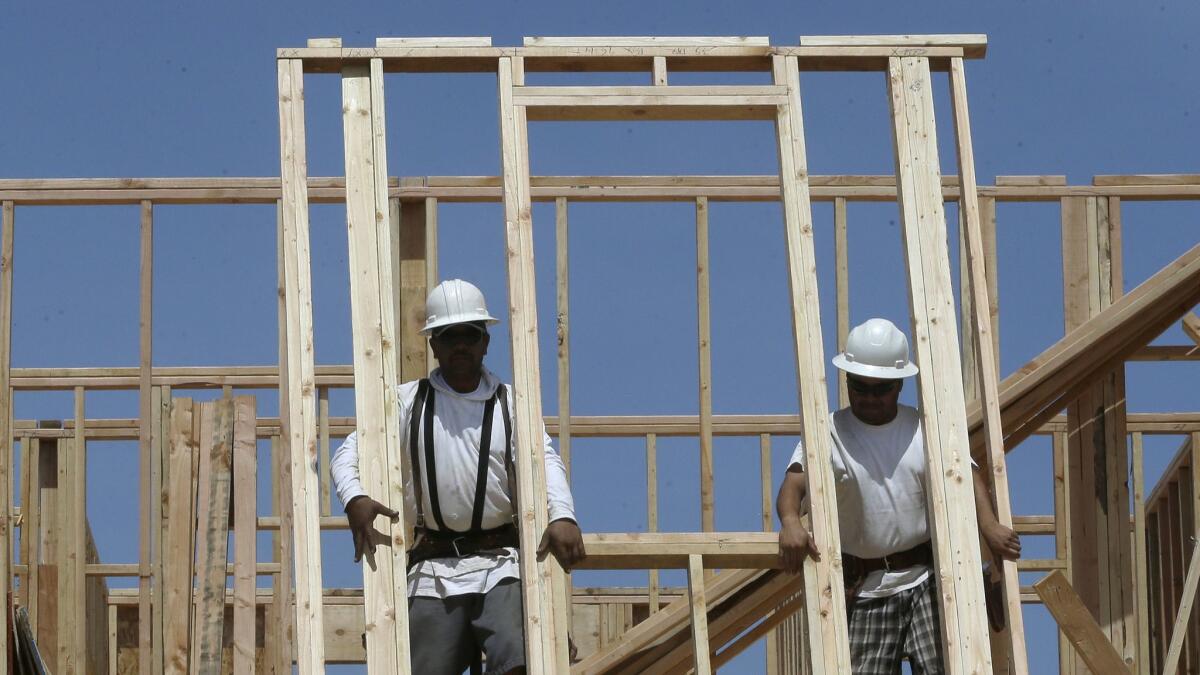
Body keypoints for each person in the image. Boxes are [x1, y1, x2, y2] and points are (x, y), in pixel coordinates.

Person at [331, 278, 586, 675]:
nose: (461, 346)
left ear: (485, 341)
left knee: (521, 660)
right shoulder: (407, 403)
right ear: (434, 345)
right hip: (435, 568)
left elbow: (544, 460)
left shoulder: (511, 405)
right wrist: (355, 499)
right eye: (450, 337)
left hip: (500, 563)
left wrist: (562, 515)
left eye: (470, 335)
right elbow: (350, 452)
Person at [776, 317, 1021, 675]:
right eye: (860, 387)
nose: (870, 398)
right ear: (847, 381)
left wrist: (989, 526)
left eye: (881, 390)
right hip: (867, 588)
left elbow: (966, 474)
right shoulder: (828, 433)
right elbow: (793, 485)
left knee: (951, 666)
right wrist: (790, 522)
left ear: (899, 386)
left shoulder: (923, 428)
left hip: (928, 579)